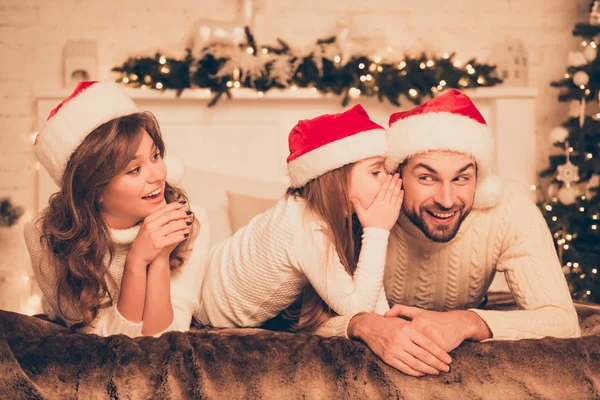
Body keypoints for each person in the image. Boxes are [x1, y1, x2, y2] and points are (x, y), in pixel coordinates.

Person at [315, 89, 580, 377]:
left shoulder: (508, 208)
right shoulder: (360, 206)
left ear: (479, 180)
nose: (446, 199)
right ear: (397, 175)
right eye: (426, 177)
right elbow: (298, 318)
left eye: (461, 178)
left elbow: (563, 321)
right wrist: (361, 325)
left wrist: (469, 322)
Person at [24, 81, 210, 337]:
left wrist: (158, 259)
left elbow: (166, 342)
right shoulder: (48, 235)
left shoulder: (188, 220)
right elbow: (103, 346)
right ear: (95, 188)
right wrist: (136, 261)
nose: (157, 175)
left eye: (155, 156)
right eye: (135, 170)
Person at [199, 105, 403, 331]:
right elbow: (357, 308)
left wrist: (391, 325)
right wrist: (378, 231)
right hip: (203, 309)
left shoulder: (322, 213)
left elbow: (369, 288)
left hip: (208, 278)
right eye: (376, 172)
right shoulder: (305, 227)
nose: (388, 180)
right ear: (336, 180)